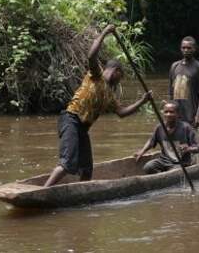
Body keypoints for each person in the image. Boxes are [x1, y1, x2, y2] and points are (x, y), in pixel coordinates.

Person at [44, 25, 152, 187]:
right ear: (115, 71)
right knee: (67, 163)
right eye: (120, 77)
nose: (119, 81)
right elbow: (91, 55)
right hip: (71, 119)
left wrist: (142, 101)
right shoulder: (97, 75)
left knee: (87, 170)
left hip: (83, 128)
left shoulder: (109, 94)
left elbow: (121, 112)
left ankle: (82, 193)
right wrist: (105, 33)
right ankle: (44, 190)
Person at [134, 101, 199, 174]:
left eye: (171, 112)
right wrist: (142, 152)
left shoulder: (186, 128)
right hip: (164, 160)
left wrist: (188, 149)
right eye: (166, 112)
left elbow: (198, 148)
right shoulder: (160, 127)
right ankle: (162, 176)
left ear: (178, 114)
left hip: (180, 163)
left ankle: (165, 176)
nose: (168, 114)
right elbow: (151, 142)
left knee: (174, 172)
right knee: (148, 167)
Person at [169, 36, 199, 129]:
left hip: (191, 112)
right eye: (183, 48)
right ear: (180, 48)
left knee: (191, 140)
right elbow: (171, 90)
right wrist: (169, 109)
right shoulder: (174, 66)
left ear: (194, 49)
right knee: (176, 140)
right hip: (176, 112)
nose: (186, 50)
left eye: (189, 48)